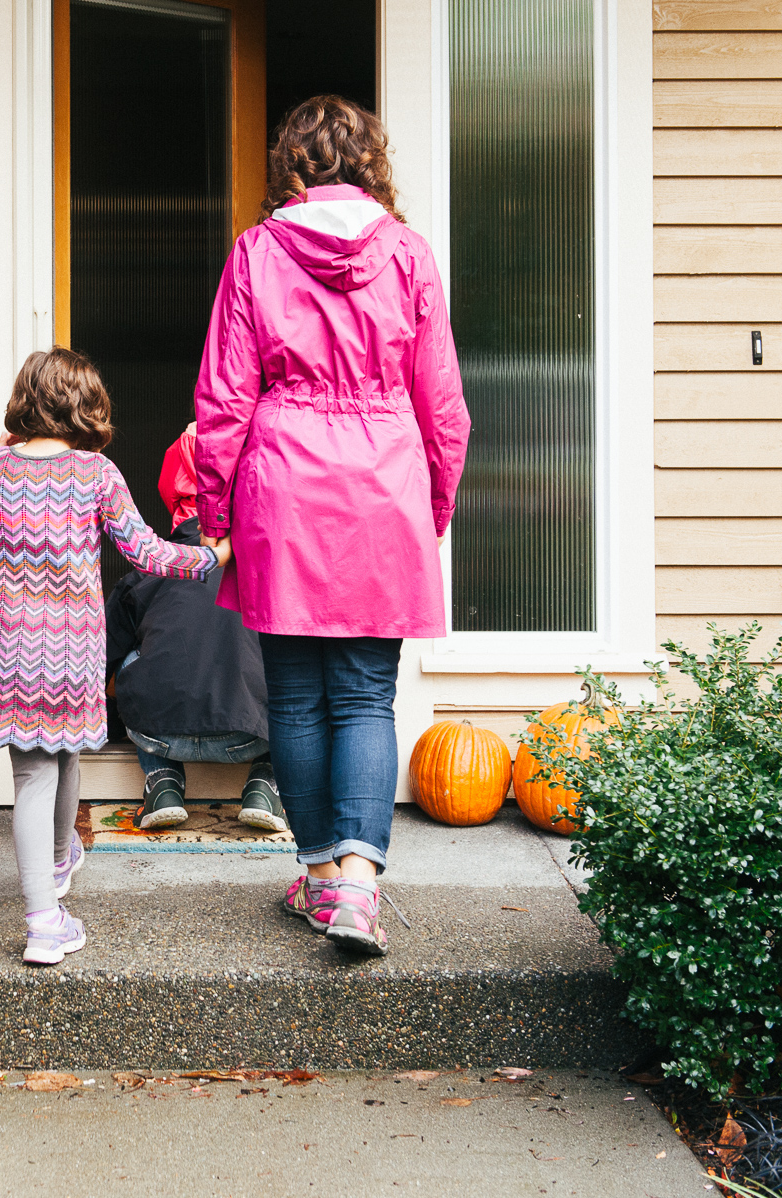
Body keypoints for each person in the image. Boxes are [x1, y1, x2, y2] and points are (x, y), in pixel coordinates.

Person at [193, 95, 469, 955]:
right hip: (382, 479)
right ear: (371, 161)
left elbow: (225, 395)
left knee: (301, 700)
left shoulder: (257, 252)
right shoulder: (410, 256)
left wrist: (214, 510)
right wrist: (432, 504)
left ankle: (318, 879)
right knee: (365, 695)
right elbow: (443, 405)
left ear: (293, 166)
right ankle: (357, 887)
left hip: (282, 484)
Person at [0, 348, 230, 966]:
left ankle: (57, 857)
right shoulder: (97, 474)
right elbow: (148, 554)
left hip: (7, 654)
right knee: (54, 761)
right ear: (85, 407)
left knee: (39, 767)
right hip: (69, 654)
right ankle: (44, 921)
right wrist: (214, 557)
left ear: (24, 403)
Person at [105, 423, 283, 832]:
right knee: (288, 667)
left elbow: (103, 658)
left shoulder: (149, 567)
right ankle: (265, 784)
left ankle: (161, 780)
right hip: (250, 736)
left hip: (159, 734)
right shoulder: (270, 564)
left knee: (135, 655)